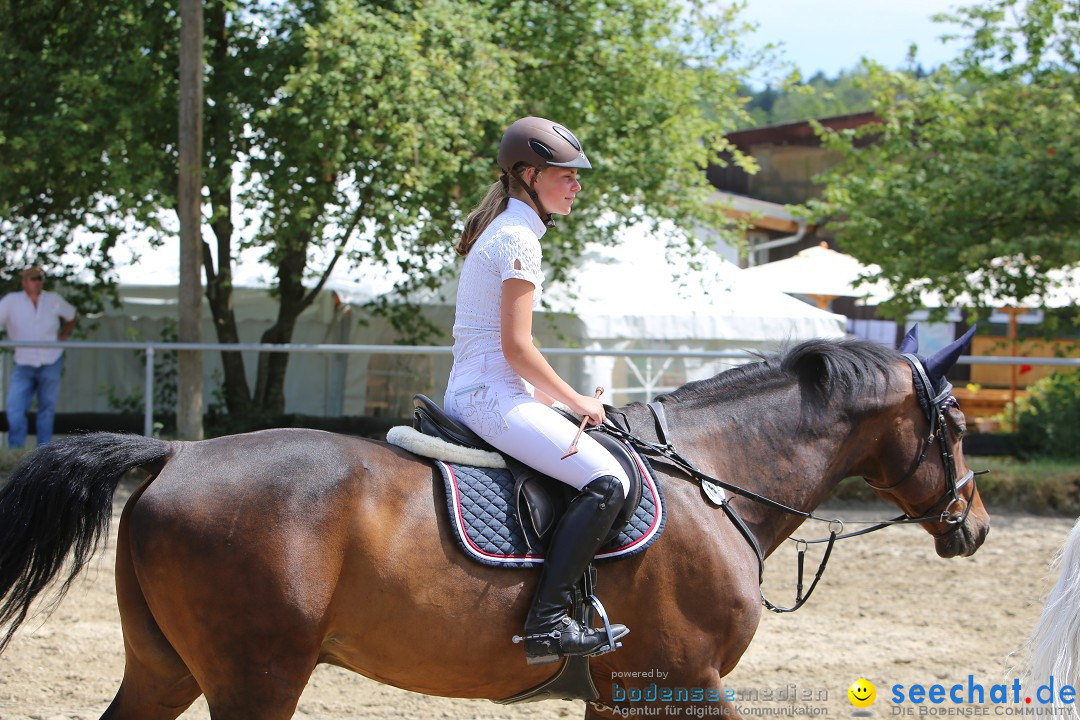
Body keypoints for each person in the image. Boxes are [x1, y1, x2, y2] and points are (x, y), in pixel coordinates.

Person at [444, 117, 632, 665]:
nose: (577, 186)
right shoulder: (518, 238)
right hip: (491, 397)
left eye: (578, 177)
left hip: (487, 389)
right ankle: (548, 626)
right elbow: (517, 347)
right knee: (607, 480)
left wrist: (548, 399)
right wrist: (577, 402)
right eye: (566, 175)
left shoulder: (508, 228)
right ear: (529, 174)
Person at [0, 265, 78, 447]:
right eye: (33, 279)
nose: (37, 282)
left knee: (47, 408)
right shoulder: (12, 301)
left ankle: (44, 451)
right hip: (24, 361)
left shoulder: (53, 299)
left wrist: (63, 336)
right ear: (24, 282)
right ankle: (16, 450)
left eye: (39, 278)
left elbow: (72, 315)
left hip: (51, 359)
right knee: (15, 408)